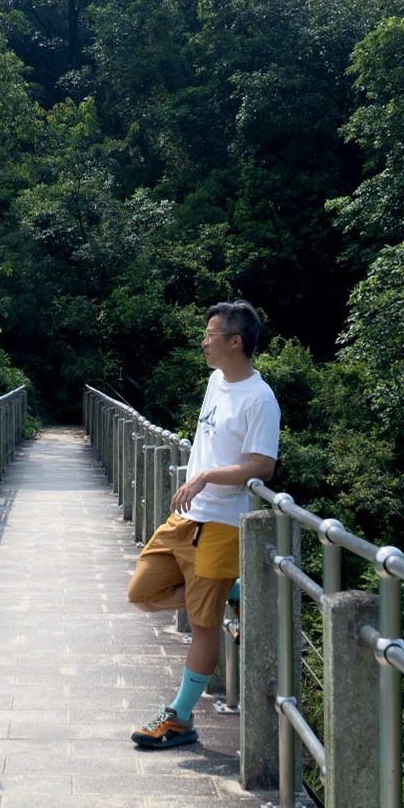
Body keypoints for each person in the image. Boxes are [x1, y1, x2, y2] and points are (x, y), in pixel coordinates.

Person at [126, 300, 280, 749]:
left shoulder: (260, 399)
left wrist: (209, 476)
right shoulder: (216, 380)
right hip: (186, 516)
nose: (203, 342)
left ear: (235, 341)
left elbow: (263, 466)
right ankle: (230, 590)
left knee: (202, 621)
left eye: (210, 335)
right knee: (142, 592)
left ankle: (179, 717)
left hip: (222, 524)